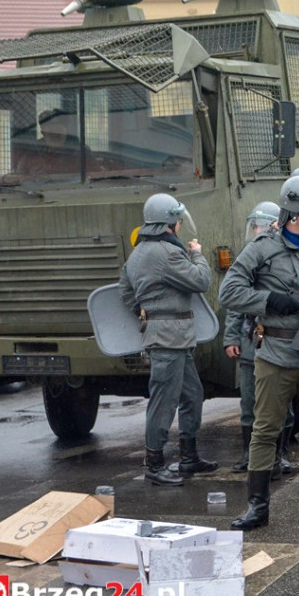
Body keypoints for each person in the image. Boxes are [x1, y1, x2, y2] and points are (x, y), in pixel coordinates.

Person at [219, 175, 299, 534]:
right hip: (274, 354)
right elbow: (229, 292)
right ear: (293, 212)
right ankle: (257, 506)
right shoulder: (261, 249)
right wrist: (269, 301)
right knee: (264, 430)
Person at [118, 193, 218, 486]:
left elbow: (125, 291)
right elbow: (201, 281)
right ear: (169, 223)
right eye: (178, 220)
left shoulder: (137, 254)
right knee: (164, 401)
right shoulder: (168, 253)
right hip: (169, 338)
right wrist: (197, 254)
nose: (180, 226)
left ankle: (189, 457)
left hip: (171, 337)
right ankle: (154, 463)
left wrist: (145, 312)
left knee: (192, 394)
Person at [223, 201, 297, 477]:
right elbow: (234, 305)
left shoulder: (282, 259)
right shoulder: (248, 259)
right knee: (248, 402)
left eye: (261, 225)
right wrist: (231, 337)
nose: (256, 230)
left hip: (276, 343)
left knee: (282, 405)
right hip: (249, 342)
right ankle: (248, 454)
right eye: (254, 226)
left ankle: (281, 454)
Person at [16, 109, 82, 176]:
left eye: (58, 127)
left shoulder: (80, 152)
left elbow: (89, 176)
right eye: (50, 128)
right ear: (43, 133)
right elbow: (19, 176)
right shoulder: (32, 153)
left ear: (66, 131)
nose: (54, 131)